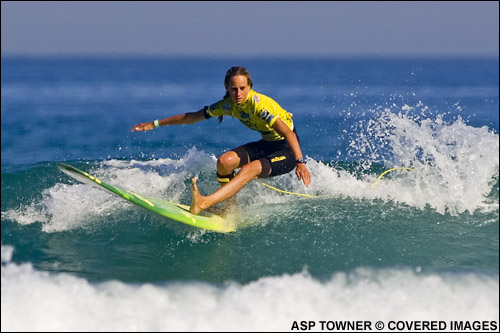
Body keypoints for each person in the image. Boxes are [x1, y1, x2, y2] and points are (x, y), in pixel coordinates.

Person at [131, 66, 311, 215]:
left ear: (249, 86)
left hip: (287, 150)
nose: (238, 93)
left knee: (249, 169)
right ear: (227, 88)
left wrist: (300, 162)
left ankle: (205, 202)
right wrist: (154, 124)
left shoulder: (259, 105)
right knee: (225, 162)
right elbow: (193, 117)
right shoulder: (227, 105)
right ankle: (230, 209)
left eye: (242, 88)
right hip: (267, 144)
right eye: (233, 89)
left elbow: (289, 133)